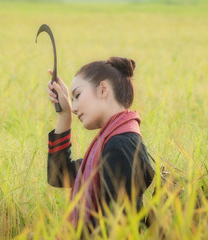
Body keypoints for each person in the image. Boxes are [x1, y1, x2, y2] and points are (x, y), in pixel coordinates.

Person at [45, 57, 155, 236]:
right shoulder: (112, 142)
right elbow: (59, 175)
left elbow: (115, 222)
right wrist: (64, 116)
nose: (74, 107)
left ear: (103, 89)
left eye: (78, 95)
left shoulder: (120, 145)